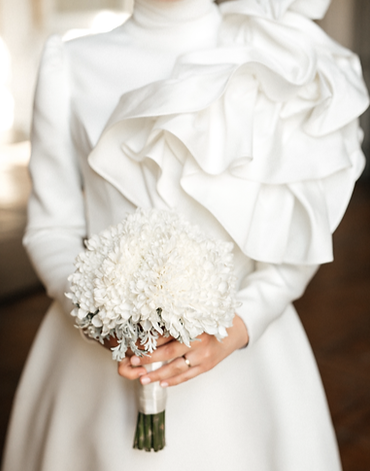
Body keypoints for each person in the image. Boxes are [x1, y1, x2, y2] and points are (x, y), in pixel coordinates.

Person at [2, 0, 368, 470]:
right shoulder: (69, 62)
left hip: (246, 359)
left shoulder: (279, 58)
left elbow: (298, 235)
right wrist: (100, 317)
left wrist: (236, 329)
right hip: (94, 365)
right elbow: (52, 226)